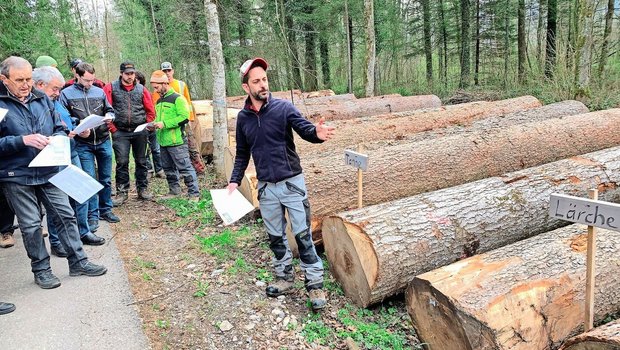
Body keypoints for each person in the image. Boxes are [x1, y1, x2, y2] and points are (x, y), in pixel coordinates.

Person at [227, 58, 335, 311]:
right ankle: (284, 277)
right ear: (246, 87)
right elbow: (242, 153)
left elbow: (305, 129)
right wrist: (234, 181)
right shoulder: (243, 119)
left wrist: (316, 135)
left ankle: (315, 284)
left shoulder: (284, 108)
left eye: (264, 79)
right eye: (256, 81)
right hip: (265, 188)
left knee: (303, 236)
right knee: (275, 237)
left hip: (292, 184)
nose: (263, 85)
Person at [0, 56, 107, 289]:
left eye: (28, 78)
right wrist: (21, 140)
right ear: (4, 79)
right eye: (19, 79)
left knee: (65, 215)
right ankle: (42, 270)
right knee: (30, 225)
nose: (26, 84)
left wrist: (58, 137)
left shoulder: (42, 99)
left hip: (49, 169)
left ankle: (78, 261)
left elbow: (59, 126)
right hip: (16, 175)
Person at [33, 66, 104, 254]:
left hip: (70, 150)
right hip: (53, 156)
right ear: (40, 85)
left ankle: (83, 231)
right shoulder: (34, 104)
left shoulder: (54, 100)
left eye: (59, 89)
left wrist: (78, 128)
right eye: (55, 89)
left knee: (81, 192)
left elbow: (65, 118)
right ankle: (56, 242)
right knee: (58, 202)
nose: (58, 93)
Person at [60, 62, 120, 242]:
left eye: (92, 80)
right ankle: (93, 216)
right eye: (87, 80)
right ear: (77, 76)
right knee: (89, 179)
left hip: (102, 140)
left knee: (106, 178)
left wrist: (110, 117)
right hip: (82, 143)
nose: (90, 83)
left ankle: (106, 209)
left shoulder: (99, 91)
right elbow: (63, 117)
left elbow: (109, 109)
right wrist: (77, 127)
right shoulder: (66, 94)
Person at [103, 61, 156, 205]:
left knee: (141, 161)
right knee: (122, 162)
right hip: (120, 131)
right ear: (121, 73)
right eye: (127, 73)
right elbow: (106, 110)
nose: (130, 76)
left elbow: (150, 110)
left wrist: (146, 126)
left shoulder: (142, 89)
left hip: (140, 131)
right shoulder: (111, 88)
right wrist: (113, 128)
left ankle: (142, 189)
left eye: (132, 73)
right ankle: (122, 192)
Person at [149, 70, 200, 201]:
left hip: (176, 140)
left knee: (185, 167)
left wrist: (164, 124)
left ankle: (194, 194)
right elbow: (160, 119)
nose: (155, 90)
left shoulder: (178, 98)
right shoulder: (159, 101)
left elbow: (184, 117)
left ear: (164, 83)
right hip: (163, 141)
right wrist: (154, 124)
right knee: (168, 168)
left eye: (157, 87)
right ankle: (174, 191)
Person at [153, 61, 205, 175]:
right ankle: (178, 172)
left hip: (183, 121)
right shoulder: (157, 88)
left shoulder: (181, 84)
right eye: (164, 71)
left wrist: (190, 119)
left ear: (173, 71)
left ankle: (199, 169)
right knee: (172, 150)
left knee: (191, 146)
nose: (167, 73)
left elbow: (188, 102)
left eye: (169, 70)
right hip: (167, 125)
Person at [137, 70, 164, 179]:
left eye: (137, 81)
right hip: (140, 126)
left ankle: (160, 169)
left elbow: (152, 109)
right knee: (144, 150)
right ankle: (149, 170)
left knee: (156, 149)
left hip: (151, 124)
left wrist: (151, 121)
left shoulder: (147, 93)